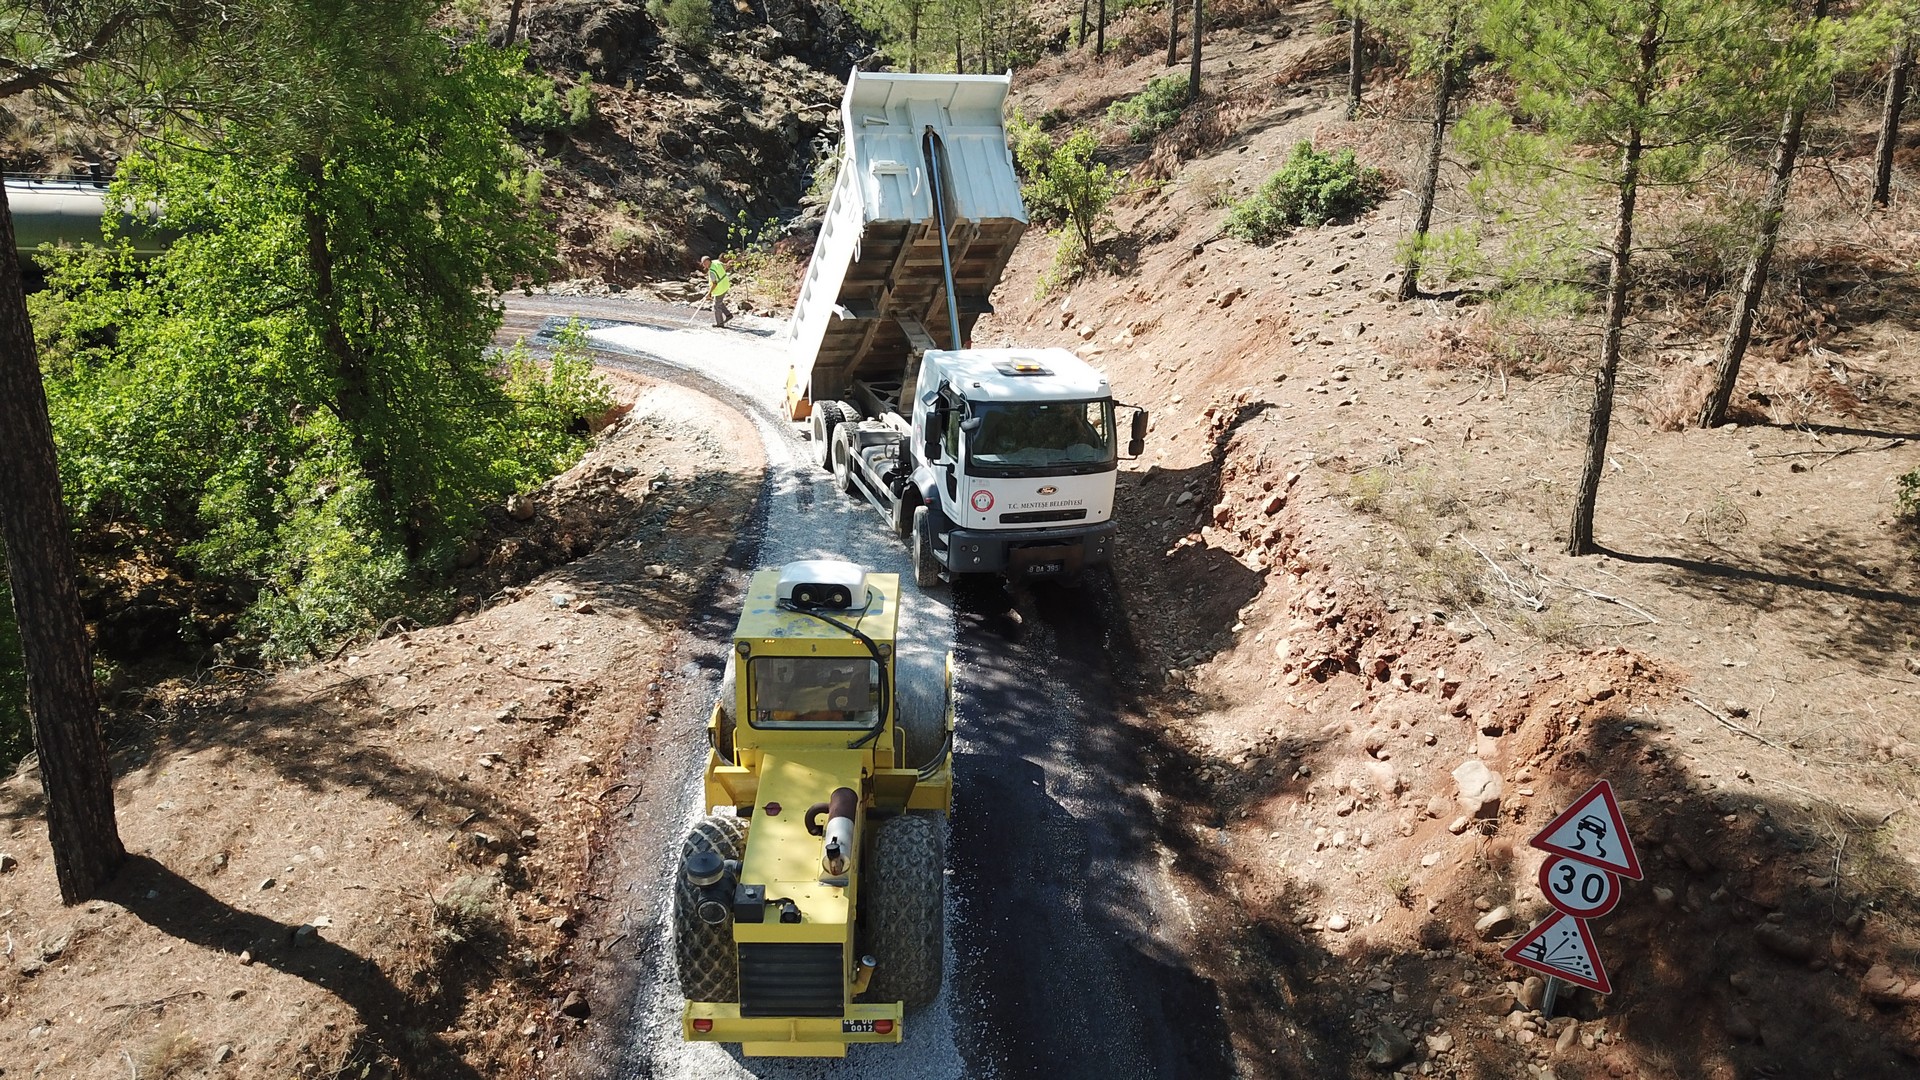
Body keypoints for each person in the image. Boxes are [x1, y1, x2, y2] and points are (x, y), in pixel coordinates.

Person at [700, 255, 732, 328]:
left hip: (720, 288)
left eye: (705, 263)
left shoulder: (712, 271)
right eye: (703, 263)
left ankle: (720, 324)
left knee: (716, 306)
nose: (704, 265)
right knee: (718, 301)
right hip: (725, 284)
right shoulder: (716, 262)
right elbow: (725, 266)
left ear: (708, 261)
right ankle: (728, 315)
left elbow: (714, 284)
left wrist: (709, 293)